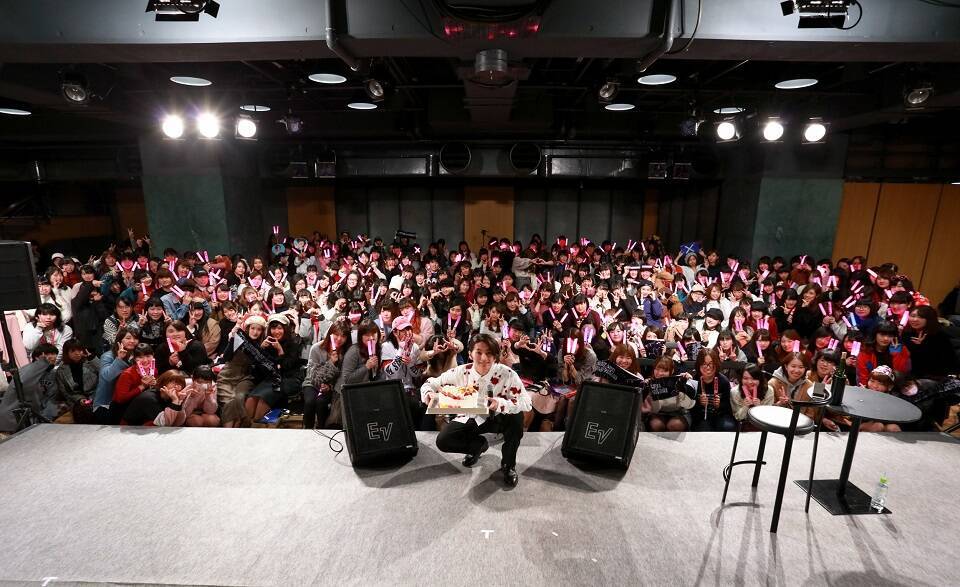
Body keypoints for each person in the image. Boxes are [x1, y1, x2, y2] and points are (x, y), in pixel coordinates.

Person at [421, 333, 531, 487]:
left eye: (489, 353)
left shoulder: (507, 374)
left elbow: (527, 403)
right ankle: (478, 446)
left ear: (495, 355)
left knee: (516, 418)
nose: (484, 358)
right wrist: (428, 394)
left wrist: (499, 403)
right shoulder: (461, 372)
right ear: (470, 354)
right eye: (479, 352)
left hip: (500, 416)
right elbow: (430, 383)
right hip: (472, 416)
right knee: (443, 440)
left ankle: (508, 465)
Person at [302, 320, 351, 429]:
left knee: (321, 403)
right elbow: (313, 375)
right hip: (312, 382)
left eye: (343, 336)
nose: (339, 339)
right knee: (310, 402)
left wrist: (330, 386)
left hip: (332, 385)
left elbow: (342, 376)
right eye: (336, 334)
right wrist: (331, 362)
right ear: (330, 334)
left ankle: (322, 428)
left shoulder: (346, 352)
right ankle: (307, 429)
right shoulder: (316, 348)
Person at [0, 343, 59, 433]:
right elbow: (23, 385)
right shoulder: (27, 371)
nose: (53, 357)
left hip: (35, 417)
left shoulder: (51, 373)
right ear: (37, 357)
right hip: (13, 420)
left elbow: (50, 397)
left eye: (54, 354)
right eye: (48, 354)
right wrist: (43, 363)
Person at [686, 348, 736, 431]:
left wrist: (719, 405)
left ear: (716, 364)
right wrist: (699, 403)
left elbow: (728, 407)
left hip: (720, 415)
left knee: (728, 426)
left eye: (711, 364)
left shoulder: (723, 381)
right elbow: (689, 408)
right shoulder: (694, 381)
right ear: (699, 365)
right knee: (704, 428)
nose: (708, 367)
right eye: (704, 364)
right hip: (701, 417)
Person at [54, 339, 101, 423]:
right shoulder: (61, 370)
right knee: (83, 411)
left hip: (95, 397)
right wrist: (80, 399)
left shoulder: (90, 363)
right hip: (76, 401)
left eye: (79, 350)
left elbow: (104, 374)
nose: (77, 353)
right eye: (73, 351)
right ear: (67, 353)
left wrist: (93, 359)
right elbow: (65, 392)